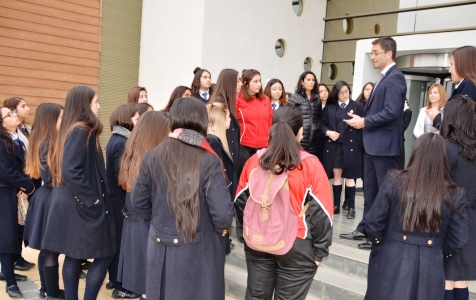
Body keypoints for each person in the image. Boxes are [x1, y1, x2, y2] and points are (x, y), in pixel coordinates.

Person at [130, 98, 233, 300]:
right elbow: (222, 215)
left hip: (159, 245)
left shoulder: (152, 155)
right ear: (202, 121)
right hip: (197, 252)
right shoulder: (208, 159)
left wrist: (162, 220)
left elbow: (138, 201)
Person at [234, 105, 333, 300]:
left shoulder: (254, 161)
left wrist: (243, 234)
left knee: (256, 296)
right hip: (296, 244)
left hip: (257, 240)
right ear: (300, 132)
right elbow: (322, 212)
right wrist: (320, 251)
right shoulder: (310, 164)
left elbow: (240, 202)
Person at [364, 133, 467, 300]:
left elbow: (373, 221)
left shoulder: (394, 180)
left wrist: (382, 245)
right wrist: (435, 250)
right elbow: (458, 238)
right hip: (431, 264)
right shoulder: (454, 192)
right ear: (443, 157)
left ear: (416, 153)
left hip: (390, 258)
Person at [42, 86, 116, 300]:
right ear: (85, 105)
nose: (99, 106)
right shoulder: (80, 130)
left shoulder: (75, 129)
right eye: (96, 102)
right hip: (79, 204)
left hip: (71, 202)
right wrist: (92, 199)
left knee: (75, 256)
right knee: (105, 253)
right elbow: (70, 170)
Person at [341, 36, 407, 250]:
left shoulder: (395, 78)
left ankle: (380, 234)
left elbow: (393, 112)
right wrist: (359, 118)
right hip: (373, 145)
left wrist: (365, 122)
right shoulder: (383, 77)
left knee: (384, 193)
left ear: (389, 54)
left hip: (385, 148)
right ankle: (366, 228)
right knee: (370, 190)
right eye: (371, 52)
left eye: (376, 52)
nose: (372, 56)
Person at [117, 111, 170, 300]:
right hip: (146, 229)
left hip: (135, 226)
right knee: (151, 287)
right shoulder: (152, 159)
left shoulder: (132, 154)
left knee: (147, 289)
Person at [23, 103, 63, 299]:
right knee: (50, 250)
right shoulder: (49, 144)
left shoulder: (40, 140)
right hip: (50, 197)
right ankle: (53, 292)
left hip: (44, 196)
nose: (63, 121)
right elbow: (57, 176)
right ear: (51, 119)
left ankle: (46, 289)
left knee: (46, 249)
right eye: (61, 117)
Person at [441, 95, 476, 300]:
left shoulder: (446, 148)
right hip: (471, 219)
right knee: (460, 277)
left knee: (447, 276)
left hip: (450, 217)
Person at [0, 106, 35, 299]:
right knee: (6, 237)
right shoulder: (1, 140)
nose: (15, 115)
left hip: (15, 191)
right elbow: (4, 170)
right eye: (9, 114)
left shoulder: (17, 139)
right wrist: (26, 185)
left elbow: (22, 167)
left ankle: (8, 271)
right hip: (4, 192)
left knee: (14, 234)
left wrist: (23, 186)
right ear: (2, 122)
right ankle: (10, 282)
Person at [105, 104, 140, 298]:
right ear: (126, 120)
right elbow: (123, 177)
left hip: (116, 198)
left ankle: (113, 280)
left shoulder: (118, 139)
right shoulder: (121, 142)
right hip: (119, 199)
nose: (138, 122)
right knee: (119, 244)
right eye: (135, 119)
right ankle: (120, 286)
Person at [321, 81, 364, 219]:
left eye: (346, 91)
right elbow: (323, 124)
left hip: (352, 146)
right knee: (337, 176)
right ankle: (336, 205)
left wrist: (359, 125)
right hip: (336, 145)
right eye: (341, 92)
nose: (344, 94)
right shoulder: (330, 107)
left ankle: (351, 207)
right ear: (336, 93)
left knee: (350, 177)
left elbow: (365, 123)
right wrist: (328, 132)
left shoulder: (357, 106)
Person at [236, 69, 273, 177]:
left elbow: (270, 122)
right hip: (243, 147)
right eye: (255, 81)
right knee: (243, 177)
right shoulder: (238, 99)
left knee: (261, 178)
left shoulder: (265, 99)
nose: (259, 84)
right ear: (246, 83)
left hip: (263, 147)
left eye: (260, 81)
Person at [429, 46, 476, 127]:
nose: (449, 70)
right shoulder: (467, 85)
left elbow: (459, 125)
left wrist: (437, 118)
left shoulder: (468, 85)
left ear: (462, 65)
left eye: (452, 64)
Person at [288, 71, 322, 157]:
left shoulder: (317, 98)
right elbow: (289, 118)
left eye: (313, 80)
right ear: (302, 82)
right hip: (300, 138)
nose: (311, 82)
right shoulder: (295, 97)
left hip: (315, 139)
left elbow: (319, 117)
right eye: (308, 80)